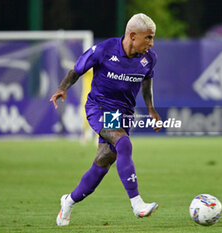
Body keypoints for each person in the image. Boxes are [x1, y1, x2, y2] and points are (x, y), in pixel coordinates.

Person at [50, 13, 161, 226]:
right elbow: (77, 69)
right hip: (100, 108)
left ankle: (69, 200)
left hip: (123, 113)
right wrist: (62, 89)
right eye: (148, 38)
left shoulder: (149, 58)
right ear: (132, 35)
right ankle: (137, 203)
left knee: (102, 164)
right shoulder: (105, 50)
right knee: (123, 143)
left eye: (152, 37)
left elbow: (147, 82)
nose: (151, 43)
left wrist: (151, 109)